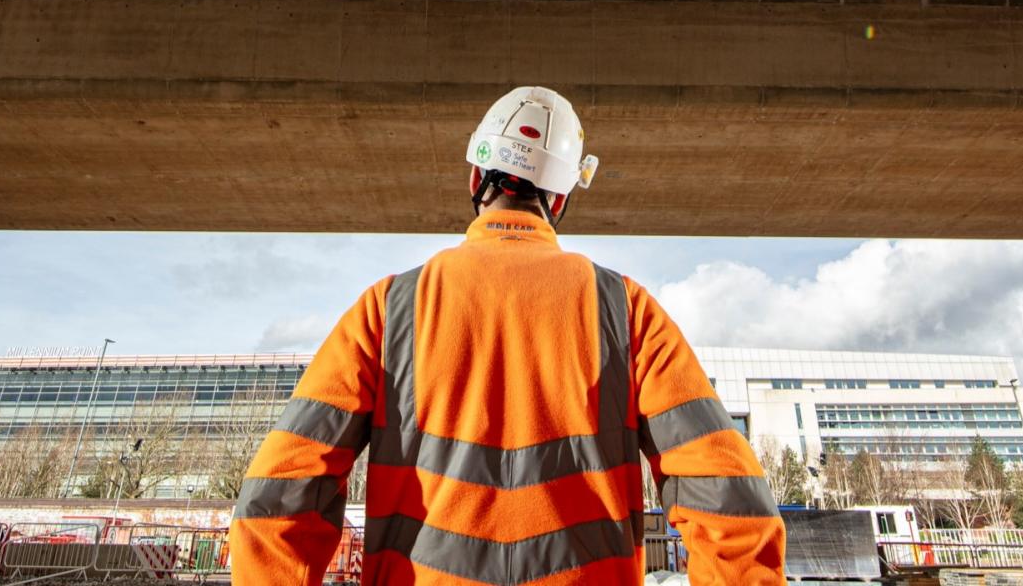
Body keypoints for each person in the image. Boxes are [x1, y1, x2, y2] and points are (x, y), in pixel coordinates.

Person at [228, 86, 786, 584]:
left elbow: (279, 496)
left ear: (476, 178)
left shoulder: (388, 308)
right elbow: (731, 503)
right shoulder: (627, 311)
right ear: (560, 199)